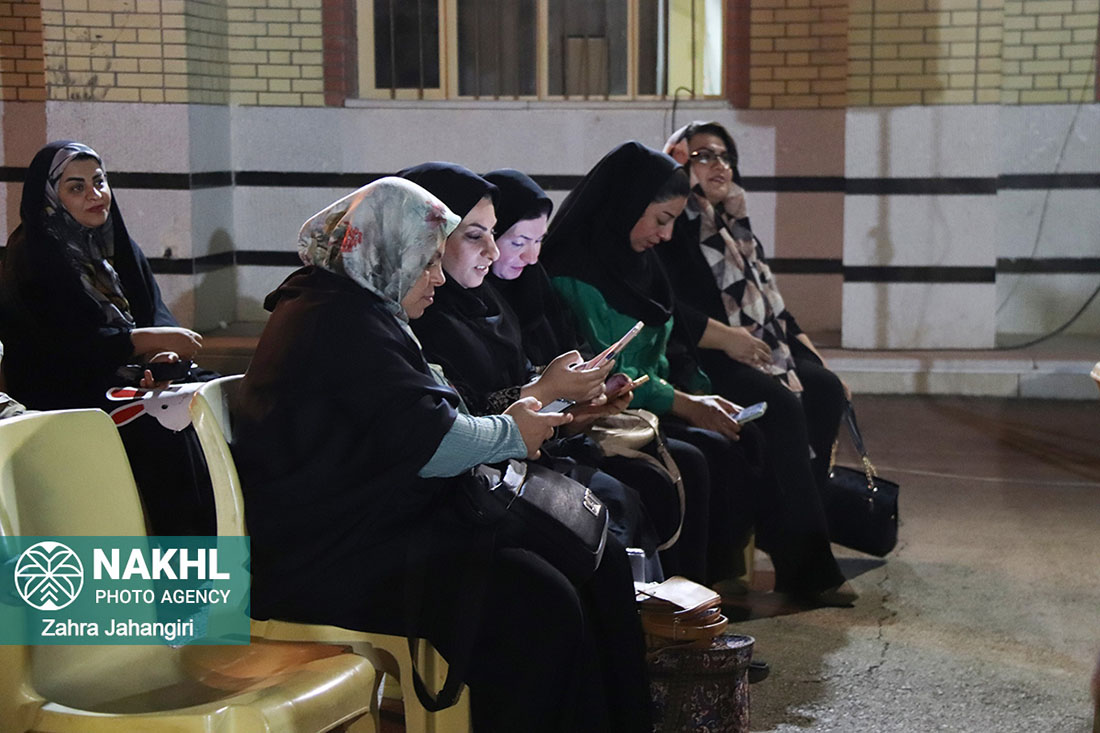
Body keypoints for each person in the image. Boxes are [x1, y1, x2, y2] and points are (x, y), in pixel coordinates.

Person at [231, 176, 652, 732]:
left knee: (582, 558)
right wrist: (512, 430)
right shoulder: (339, 321)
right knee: (538, 599)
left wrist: (519, 419)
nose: (437, 276)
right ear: (389, 251)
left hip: (376, 527)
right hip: (330, 555)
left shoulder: (354, 307)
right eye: (427, 260)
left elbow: (433, 417)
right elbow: (433, 441)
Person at [543, 141, 853, 604]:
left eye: (672, 222)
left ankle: (723, 586)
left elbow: (675, 344)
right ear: (627, 204)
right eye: (660, 220)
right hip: (614, 409)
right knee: (703, 455)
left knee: (746, 434)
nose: (666, 235)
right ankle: (687, 602)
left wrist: (699, 394)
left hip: (655, 398)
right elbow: (609, 371)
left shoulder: (640, 261)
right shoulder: (577, 270)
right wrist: (686, 403)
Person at [400, 161, 664, 579]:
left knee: (629, 498)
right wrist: (547, 392)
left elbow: (514, 388)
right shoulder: (408, 320)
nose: (494, 252)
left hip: (503, 471)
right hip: (455, 497)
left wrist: (577, 408)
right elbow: (451, 426)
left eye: (494, 234)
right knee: (599, 530)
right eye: (476, 235)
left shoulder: (488, 302)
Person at [483, 167, 731, 584]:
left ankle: (693, 603)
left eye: (538, 242)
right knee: (647, 484)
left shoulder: (531, 284)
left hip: (562, 433)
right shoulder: (466, 304)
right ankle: (666, 608)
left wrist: (592, 393)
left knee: (703, 457)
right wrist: (557, 397)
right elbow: (476, 404)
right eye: (517, 242)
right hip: (506, 462)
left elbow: (577, 353)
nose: (531, 257)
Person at [0, 140, 216, 535]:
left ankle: (231, 549)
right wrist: (141, 341)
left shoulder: (116, 246)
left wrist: (160, 357)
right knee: (165, 433)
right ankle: (182, 564)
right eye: (76, 187)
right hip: (66, 393)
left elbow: (152, 310)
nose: (95, 194)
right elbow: (64, 347)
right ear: (50, 197)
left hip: (125, 380)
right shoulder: (33, 256)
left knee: (211, 398)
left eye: (99, 182)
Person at [661, 120, 850, 490]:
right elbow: (669, 307)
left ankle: (812, 500)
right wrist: (729, 339)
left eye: (726, 157)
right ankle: (791, 513)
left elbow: (774, 311)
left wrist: (819, 362)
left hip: (761, 349)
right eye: (704, 156)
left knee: (827, 388)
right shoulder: (671, 229)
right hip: (705, 357)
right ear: (680, 163)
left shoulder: (737, 230)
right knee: (780, 402)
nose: (720, 166)